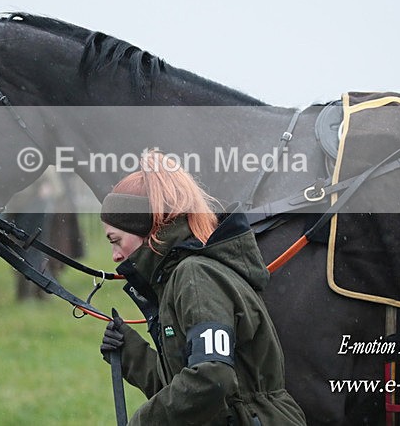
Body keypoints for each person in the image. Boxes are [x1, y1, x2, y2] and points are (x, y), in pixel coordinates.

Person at [98, 151, 306, 425]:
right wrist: (130, 354)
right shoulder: (181, 277)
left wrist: (142, 422)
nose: (115, 255)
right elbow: (187, 389)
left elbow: (212, 379)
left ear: (146, 227)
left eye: (115, 240)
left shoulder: (195, 275)